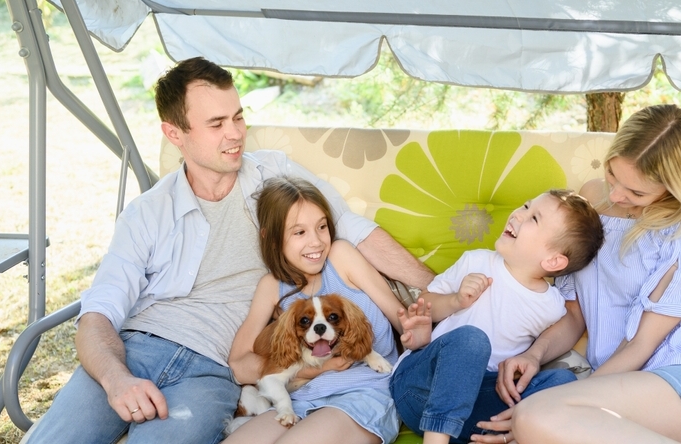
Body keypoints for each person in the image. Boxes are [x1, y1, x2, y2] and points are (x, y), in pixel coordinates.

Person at [25, 57, 434, 444]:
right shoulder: (147, 212)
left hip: (213, 372)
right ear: (175, 134)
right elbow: (96, 316)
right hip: (138, 349)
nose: (236, 133)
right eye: (217, 123)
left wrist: (436, 289)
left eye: (238, 117)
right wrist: (116, 379)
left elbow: (349, 230)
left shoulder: (273, 174)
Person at [470, 104, 681, 444]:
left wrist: (556, 408)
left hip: (679, 382)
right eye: (613, 176)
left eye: (636, 192)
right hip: (609, 389)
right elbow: (576, 312)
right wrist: (534, 354)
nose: (618, 196)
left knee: (533, 417)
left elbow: (642, 345)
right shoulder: (592, 197)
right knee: (533, 419)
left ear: (674, 186)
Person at [223, 176, 432, 444]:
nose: (317, 242)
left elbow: (400, 317)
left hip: (363, 393)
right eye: (299, 232)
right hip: (298, 399)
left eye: (322, 227)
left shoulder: (340, 256)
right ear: (271, 238)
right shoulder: (272, 287)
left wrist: (415, 335)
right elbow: (239, 365)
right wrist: (305, 369)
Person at [390, 189, 604, 444]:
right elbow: (426, 304)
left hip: (473, 412)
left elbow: (562, 334)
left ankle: (500, 437)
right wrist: (455, 300)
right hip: (418, 387)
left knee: (563, 380)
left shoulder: (551, 306)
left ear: (554, 261)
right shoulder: (476, 261)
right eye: (525, 205)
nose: (518, 214)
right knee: (472, 340)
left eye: (534, 218)